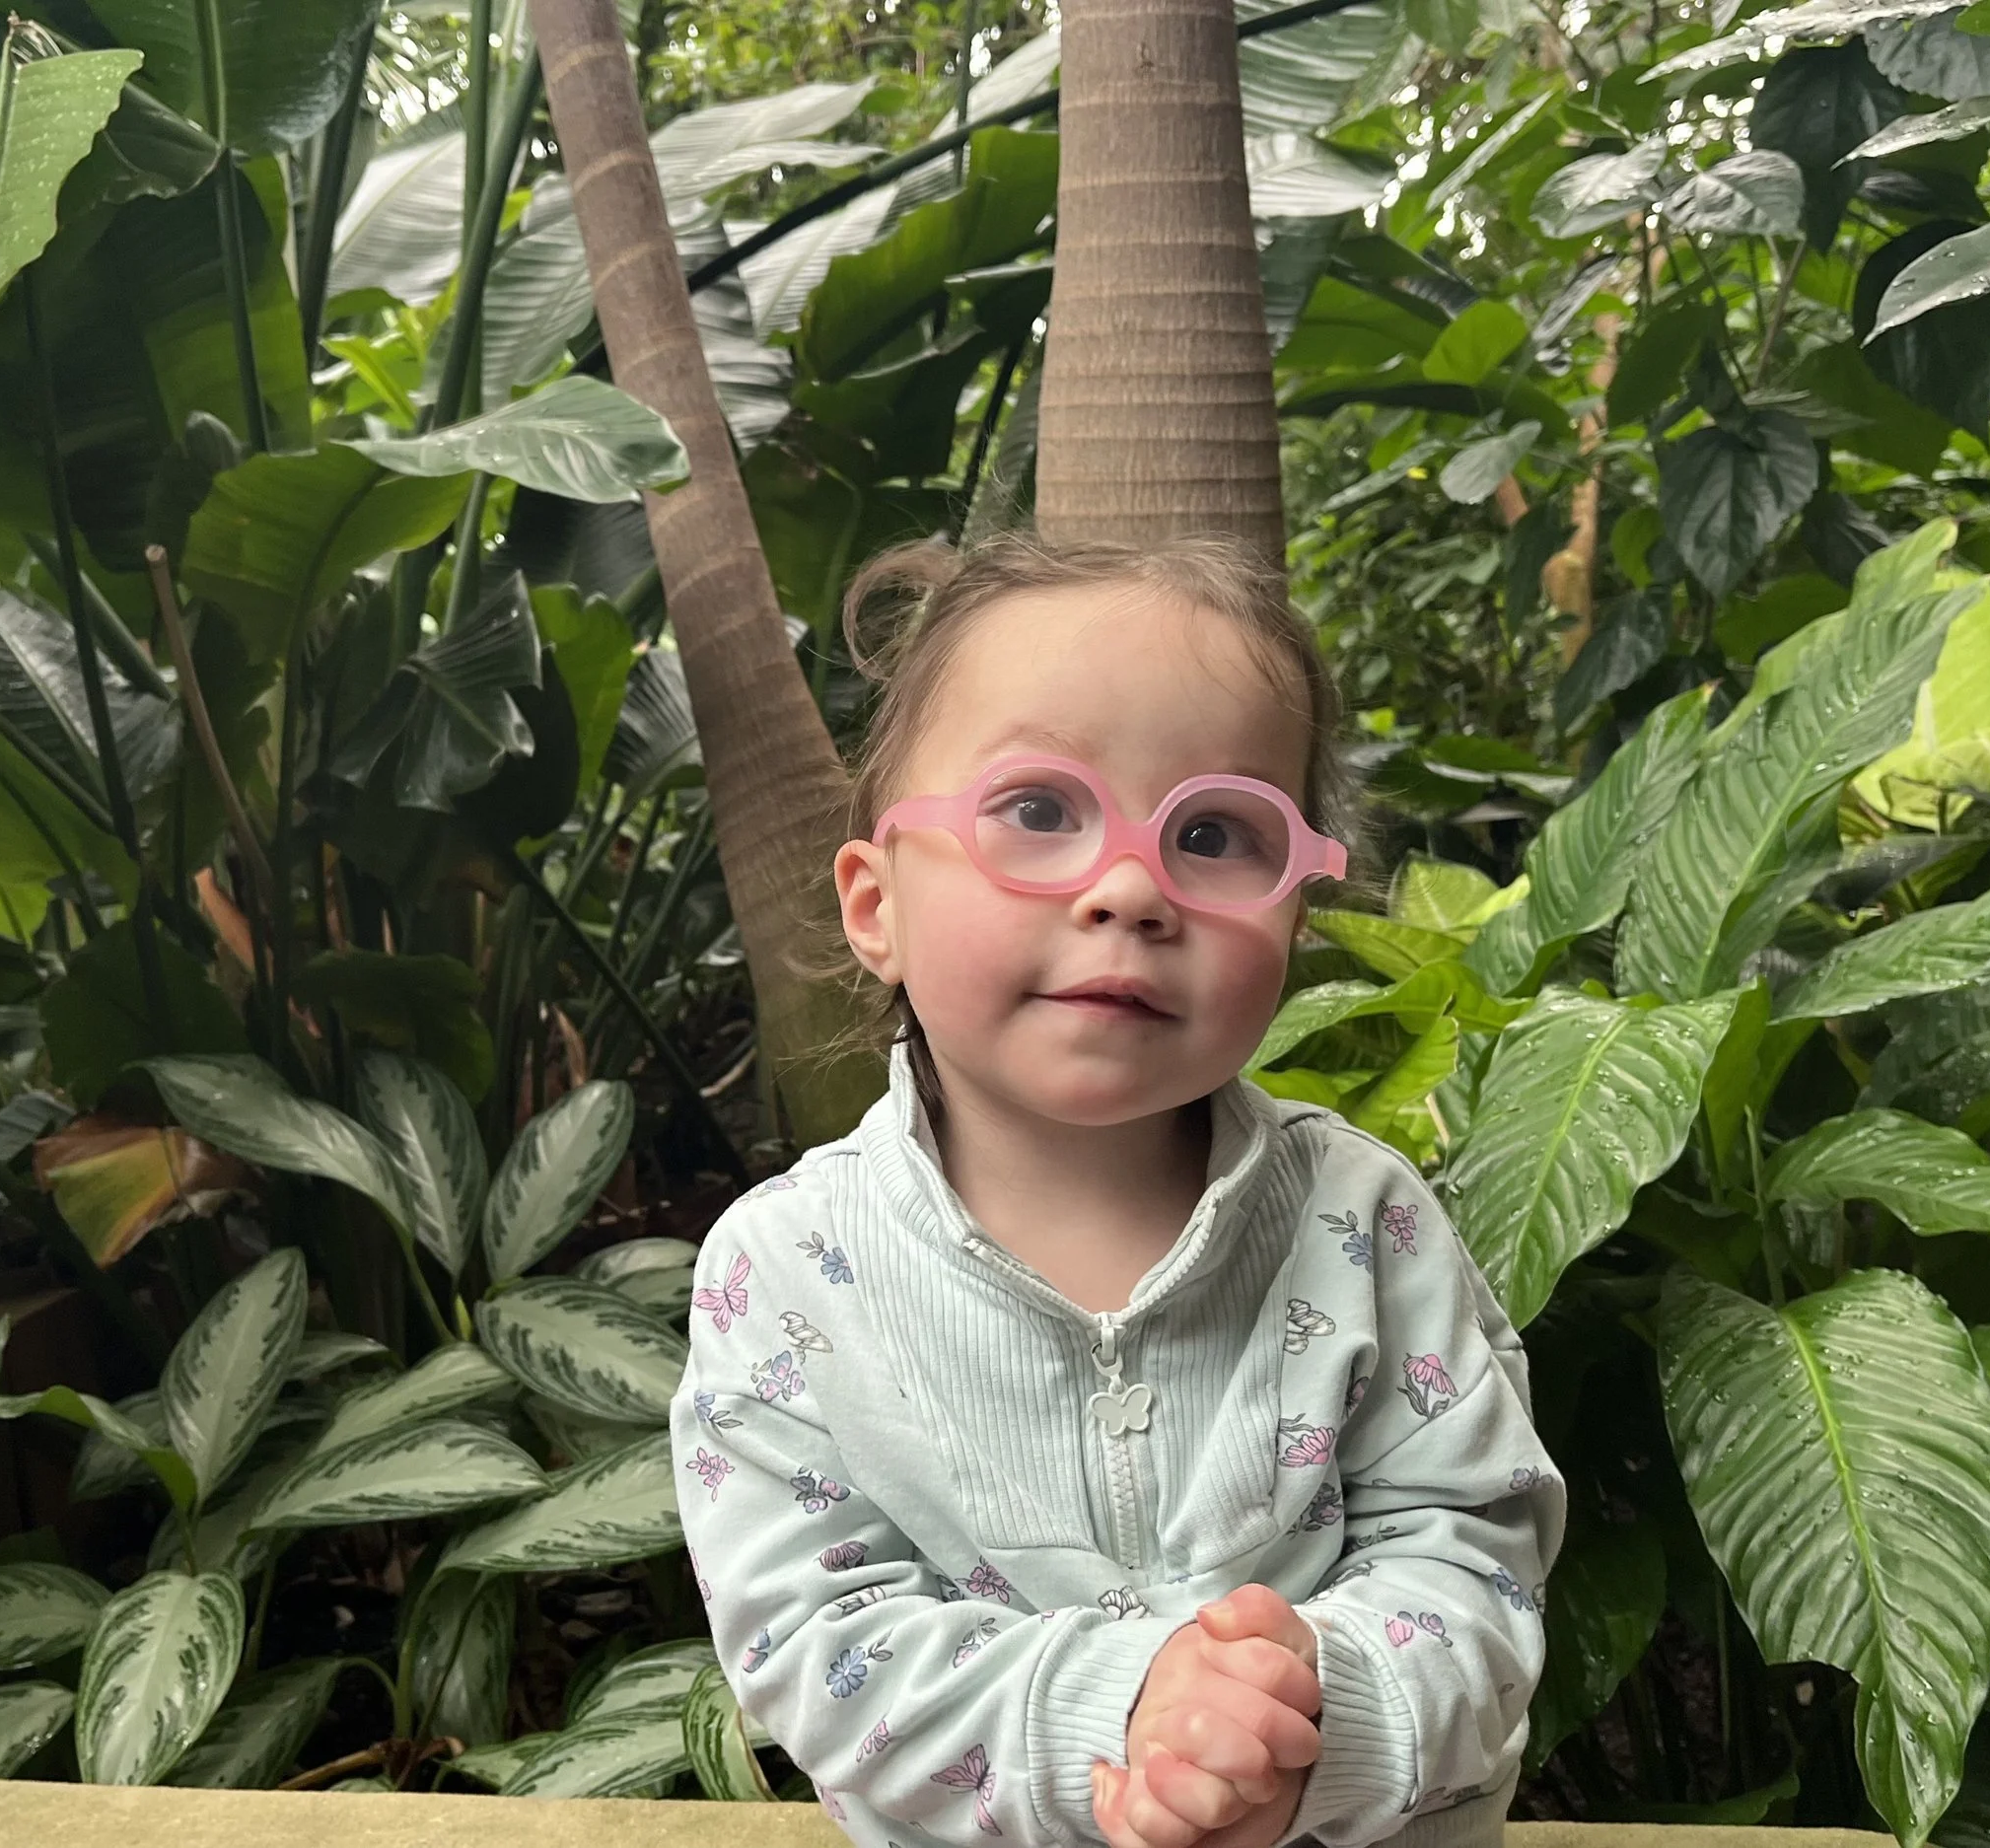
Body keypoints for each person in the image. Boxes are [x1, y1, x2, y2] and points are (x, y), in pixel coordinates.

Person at [668, 533, 1563, 1848]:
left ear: (1294, 918)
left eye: (1214, 834)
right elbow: (815, 1645)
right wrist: (1128, 1710)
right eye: (1038, 811)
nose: (1133, 888)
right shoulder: (787, 1272)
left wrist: (1307, 1720)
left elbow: (1477, 1560)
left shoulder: (1362, 1226)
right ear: (876, 905)